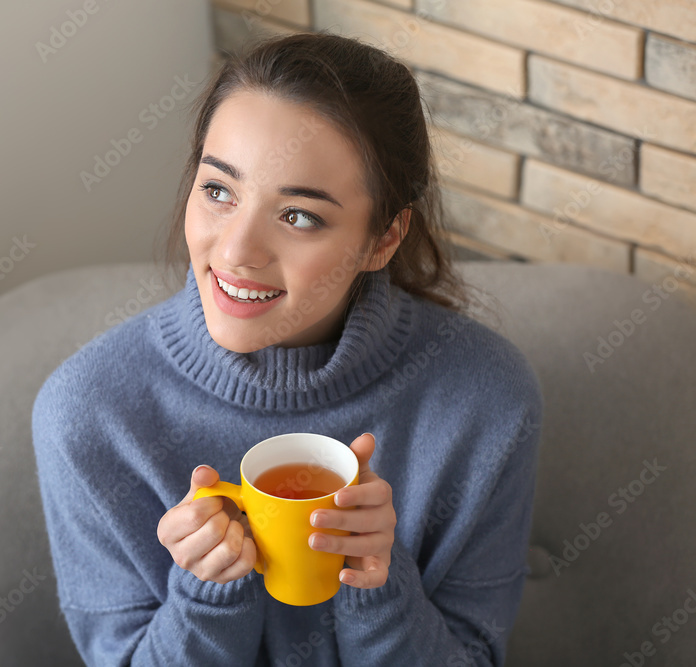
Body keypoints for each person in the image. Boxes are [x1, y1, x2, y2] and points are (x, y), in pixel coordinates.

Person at [32, 31, 542, 666]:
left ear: (383, 239)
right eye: (218, 190)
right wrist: (205, 600)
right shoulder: (89, 414)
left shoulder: (487, 400)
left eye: (299, 215)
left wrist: (380, 589)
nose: (236, 252)